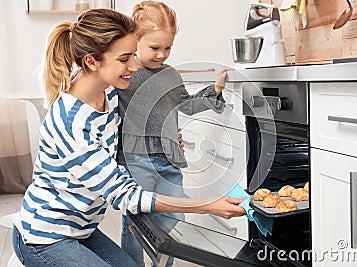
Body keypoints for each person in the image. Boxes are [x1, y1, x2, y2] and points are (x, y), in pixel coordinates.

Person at [11, 8, 245, 267]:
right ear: (91, 61)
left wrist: (163, 137)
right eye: (125, 58)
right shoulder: (70, 121)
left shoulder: (109, 96)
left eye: (133, 54)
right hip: (45, 237)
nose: (134, 66)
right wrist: (206, 204)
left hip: (84, 230)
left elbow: (136, 121)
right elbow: (125, 195)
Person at [116, 1, 233, 266]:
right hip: (135, 159)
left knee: (173, 219)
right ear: (135, 40)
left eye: (167, 48)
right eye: (154, 48)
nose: (161, 55)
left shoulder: (170, 75)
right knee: (136, 218)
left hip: (169, 159)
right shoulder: (124, 73)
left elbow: (188, 105)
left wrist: (214, 89)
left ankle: (164, 264)